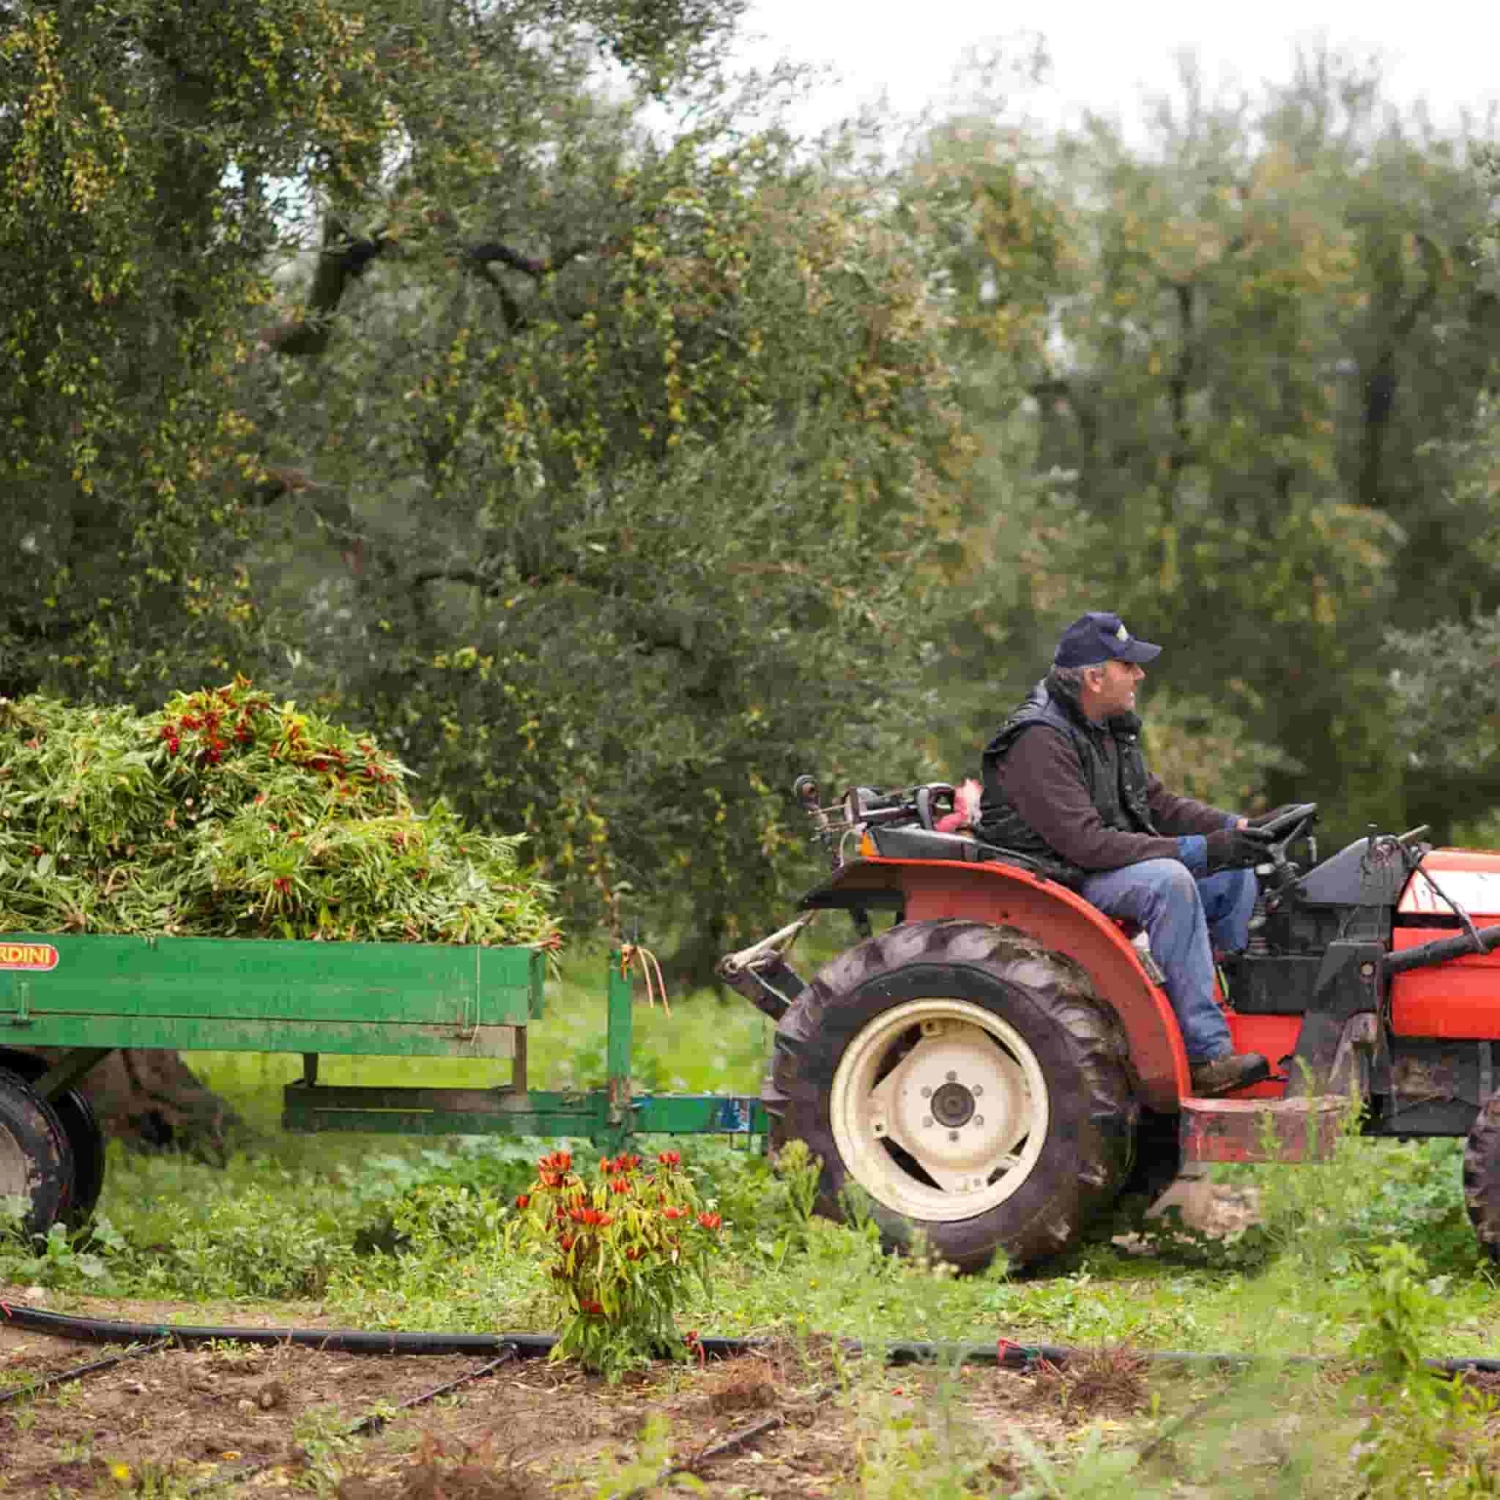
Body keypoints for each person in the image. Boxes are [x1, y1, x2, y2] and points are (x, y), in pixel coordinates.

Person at [977, 611, 1277, 1097]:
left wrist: (1235, 829)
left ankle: (1223, 1007)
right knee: (1170, 880)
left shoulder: (1106, 727)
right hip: (1061, 877)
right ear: (1096, 678)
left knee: (1232, 871)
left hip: (1093, 865)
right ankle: (1205, 1055)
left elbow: (1158, 805)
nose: (1140, 674)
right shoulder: (1038, 740)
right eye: (1128, 665)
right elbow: (1086, 843)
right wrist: (1197, 850)